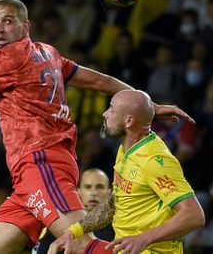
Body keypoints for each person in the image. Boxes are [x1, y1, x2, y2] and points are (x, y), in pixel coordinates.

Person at [0, 0, 194, 254]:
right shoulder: (48, 52)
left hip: (41, 163)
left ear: (26, 27)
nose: (0, 28)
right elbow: (100, 81)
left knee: (80, 245)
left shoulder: (7, 58)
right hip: (28, 176)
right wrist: (150, 106)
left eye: (8, 21)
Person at [49, 90, 204, 254]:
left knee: (78, 248)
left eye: (112, 110)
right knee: (73, 244)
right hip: (123, 249)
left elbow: (194, 214)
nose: (105, 113)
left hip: (150, 251)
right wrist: (73, 232)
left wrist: (144, 238)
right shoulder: (125, 148)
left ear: (129, 121)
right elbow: (115, 202)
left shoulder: (155, 160)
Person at [36, 168, 114, 253]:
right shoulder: (60, 224)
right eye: (87, 187)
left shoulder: (118, 226)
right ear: (78, 191)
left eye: (100, 187)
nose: (94, 193)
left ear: (110, 192)